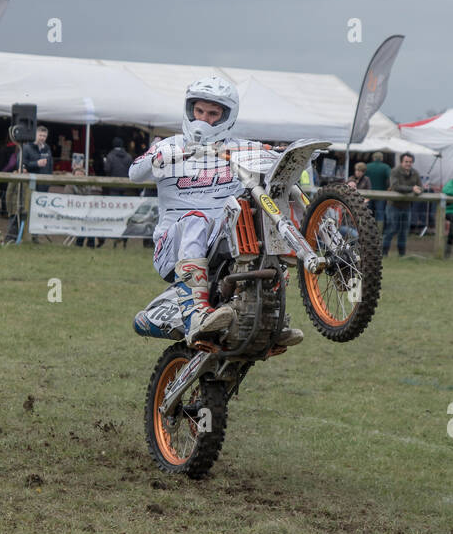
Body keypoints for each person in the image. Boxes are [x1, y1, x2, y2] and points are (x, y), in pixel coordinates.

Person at [129, 73, 303, 347]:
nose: (203, 119)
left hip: (220, 245)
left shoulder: (241, 148)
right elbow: (134, 173)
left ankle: (270, 317)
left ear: (226, 117)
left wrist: (294, 154)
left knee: (257, 216)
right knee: (195, 219)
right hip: (171, 249)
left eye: (212, 113)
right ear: (189, 110)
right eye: (198, 111)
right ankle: (195, 312)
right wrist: (159, 158)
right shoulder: (169, 145)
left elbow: (277, 157)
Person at [382, 153, 422, 258]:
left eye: (410, 162)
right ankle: (383, 252)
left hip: (407, 206)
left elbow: (420, 186)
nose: (408, 164)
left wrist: (419, 190)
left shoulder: (415, 173)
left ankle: (402, 254)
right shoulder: (394, 171)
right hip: (393, 205)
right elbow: (395, 186)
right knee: (391, 229)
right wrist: (412, 189)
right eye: (406, 162)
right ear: (401, 162)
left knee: (404, 231)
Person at [104, 136, 134, 249]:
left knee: (114, 214)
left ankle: (114, 236)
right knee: (124, 216)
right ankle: (123, 238)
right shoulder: (128, 157)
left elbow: (107, 169)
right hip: (125, 189)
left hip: (113, 188)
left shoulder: (110, 156)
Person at [364, 152, 391, 225]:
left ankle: (368, 230)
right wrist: (389, 187)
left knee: (367, 213)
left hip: (368, 194)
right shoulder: (386, 167)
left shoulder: (367, 166)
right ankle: (379, 232)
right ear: (382, 158)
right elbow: (390, 177)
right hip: (381, 194)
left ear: (373, 158)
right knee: (380, 213)